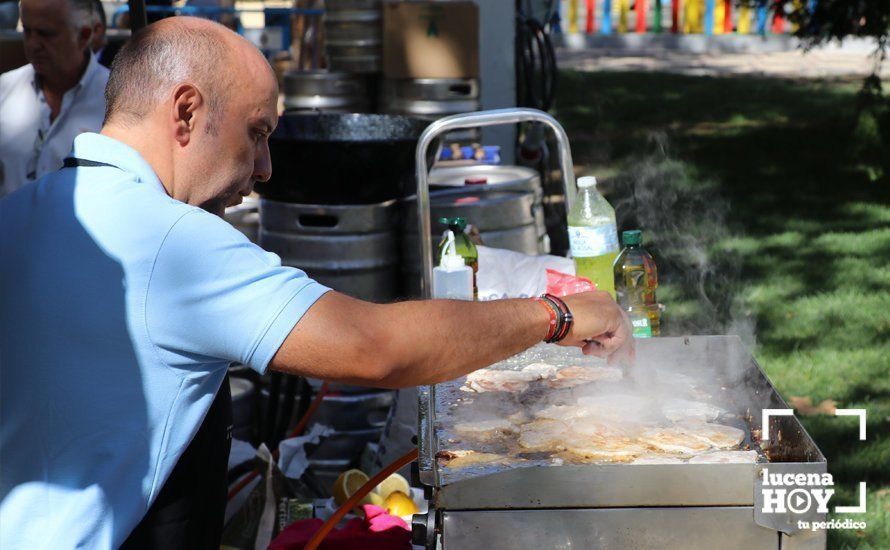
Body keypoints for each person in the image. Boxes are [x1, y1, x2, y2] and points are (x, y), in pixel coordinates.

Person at [0, 16, 633, 549]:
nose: (266, 168)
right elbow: (375, 347)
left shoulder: (20, 215)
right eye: (258, 133)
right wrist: (559, 314)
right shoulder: (172, 242)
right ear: (186, 111)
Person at [0, 0, 108, 197]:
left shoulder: (116, 99)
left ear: (84, 36)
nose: (33, 44)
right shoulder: (4, 88)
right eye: (27, 31)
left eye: (46, 34)